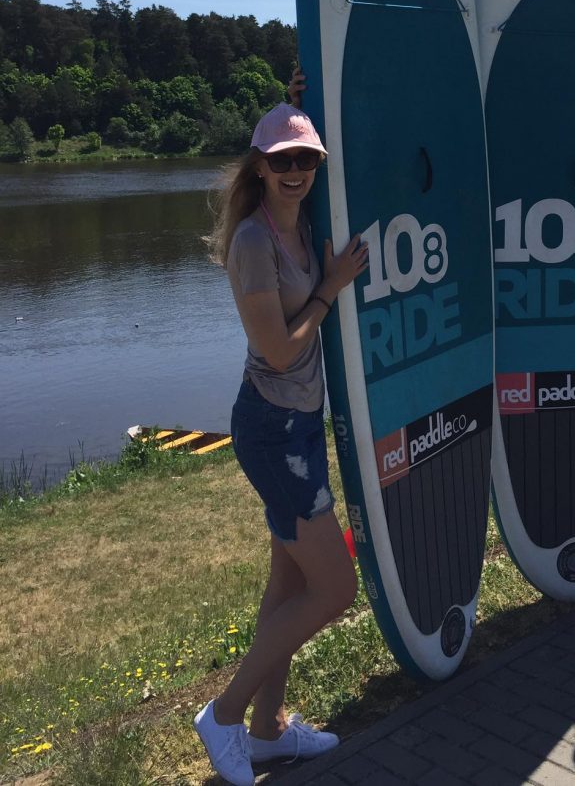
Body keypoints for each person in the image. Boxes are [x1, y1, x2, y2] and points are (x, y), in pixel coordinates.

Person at [195, 102, 368, 785]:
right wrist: (329, 289)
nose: (294, 170)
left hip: (298, 425)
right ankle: (226, 715)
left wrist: (301, 86)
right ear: (259, 167)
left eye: (305, 159)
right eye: (281, 159)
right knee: (335, 588)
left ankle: (267, 732)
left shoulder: (302, 229)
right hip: (272, 429)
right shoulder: (253, 241)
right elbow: (278, 348)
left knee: (289, 581)